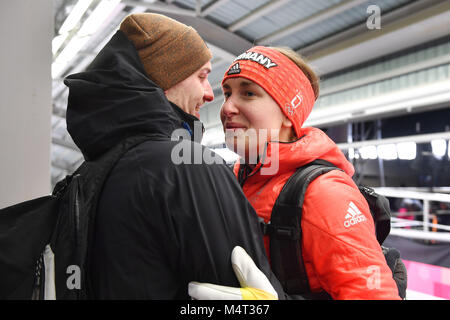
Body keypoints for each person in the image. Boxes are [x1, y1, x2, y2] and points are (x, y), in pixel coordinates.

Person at [64, 13, 283, 299]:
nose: (209, 94)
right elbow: (240, 285)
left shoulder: (89, 173)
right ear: (164, 79)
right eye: (202, 76)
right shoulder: (187, 167)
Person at [192, 46, 402, 299]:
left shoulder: (324, 193)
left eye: (248, 93)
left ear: (288, 114)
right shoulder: (233, 178)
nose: (227, 108)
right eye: (227, 93)